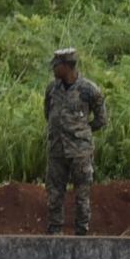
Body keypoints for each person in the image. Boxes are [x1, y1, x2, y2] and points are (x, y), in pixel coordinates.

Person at [44, 47, 107, 235]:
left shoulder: (89, 90)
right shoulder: (52, 89)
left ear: (66, 67)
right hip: (56, 150)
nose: (54, 70)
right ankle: (55, 232)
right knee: (54, 193)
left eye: (56, 66)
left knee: (82, 195)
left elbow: (101, 119)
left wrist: (81, 132)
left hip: (80, 152)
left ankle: (81, 233)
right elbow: (48, 114)